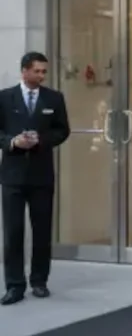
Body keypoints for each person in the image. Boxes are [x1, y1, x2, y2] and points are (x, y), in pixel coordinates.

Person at [0, 52, 70, 305]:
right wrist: (12, 142)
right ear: (24, 71)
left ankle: (39, 281)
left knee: (42, 231)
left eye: (44, 72)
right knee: (13, 232)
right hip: (13, 176)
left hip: (41, 175)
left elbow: (62, 130)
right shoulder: (5, 97)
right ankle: (14, 285)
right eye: (37, 71)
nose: (41, 76)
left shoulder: (54, 98)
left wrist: (42, 140)